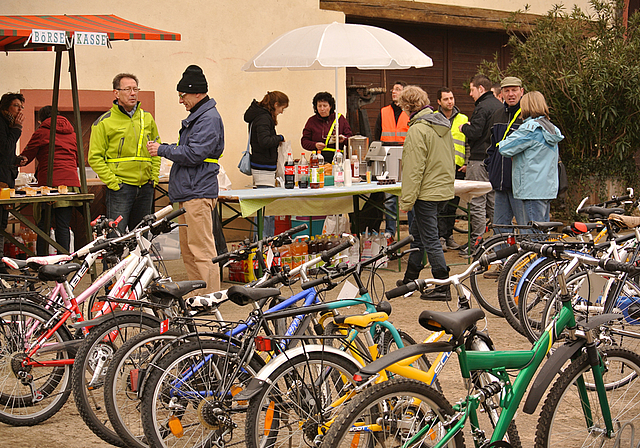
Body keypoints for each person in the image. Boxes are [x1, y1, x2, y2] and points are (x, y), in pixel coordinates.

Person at [147, 65, 224, 294]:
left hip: (198, 192)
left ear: (197, 93)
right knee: (189, 250)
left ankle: (209, 297)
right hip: (189, 191)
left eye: (183, 95)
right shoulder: (198, 117)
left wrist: (163, 150)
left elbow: (194, 154)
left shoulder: (208, 118)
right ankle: (196, 295)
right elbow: (190, 150)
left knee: (202, 250)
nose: (181, 101)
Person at [396, 86, 455, 301]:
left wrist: (407, 200)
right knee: (418, 234)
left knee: (429, 239)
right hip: (441, 190)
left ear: (407, 107)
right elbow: (450, 158)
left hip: (426, 192)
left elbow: (413, 169)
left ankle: (443, 285)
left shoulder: (417, 130)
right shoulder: (442, 125)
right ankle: (410, 279)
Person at [88, 73, 160, 233]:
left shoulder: (147, 118)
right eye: (127, 89)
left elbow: (157, 149)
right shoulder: (104, 122)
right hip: (121, 189)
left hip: (145, 187)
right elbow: (94, 158)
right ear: (116, 93)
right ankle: (115, 260)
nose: (133, 93)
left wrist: (153, 178)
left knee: (142, 237)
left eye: (135, 89)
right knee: (116, 237)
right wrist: (114, 183)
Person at [20, 106, 81, 255]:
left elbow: (26, 157)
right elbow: (78, 160)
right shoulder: (72, 134)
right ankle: (63, 261)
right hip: (70, 185)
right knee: (63, 225)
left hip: (49, 185)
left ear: (41, 120)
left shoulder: (41, 132)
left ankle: (41, 259)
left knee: (43, 224)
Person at [499, 91, 563, 222]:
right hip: (547, 188)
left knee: (532, 236)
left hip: (531, 189)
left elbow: (504, 147)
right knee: (542, 234)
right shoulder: (550, 128)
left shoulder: (530, 128)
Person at [458, 74, 502, 257]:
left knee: (477, 201)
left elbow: (475, 132)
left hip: (478, 159)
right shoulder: (500, 106)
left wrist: (464, 128)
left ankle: (477, 243)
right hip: (495, 160)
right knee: (493, 202)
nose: (470, 94)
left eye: (472, 89)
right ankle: (500, 241)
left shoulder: (482, 106)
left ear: (481, 89)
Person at [485, 77, 527, 235]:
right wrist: (491, 167)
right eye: (507, 90)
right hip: (500, 184)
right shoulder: (497, 115)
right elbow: (490, 146)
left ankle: (529, 260)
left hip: (520, 185)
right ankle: (503, 259)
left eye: (514, 90)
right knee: (500, 228)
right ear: (501, 93)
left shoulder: (527, 115)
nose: (511, 94)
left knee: (526, 228)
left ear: (521, 92)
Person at [244, 91, 288, 238]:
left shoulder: (259, 116)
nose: (282, 111)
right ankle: (263, 243)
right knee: (265, 210)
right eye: (282, 108)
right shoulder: (263, 118)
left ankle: (263, 242)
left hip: (261, 165)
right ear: (275, 105)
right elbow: (264, 141)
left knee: (263, 208)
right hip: (263, 167)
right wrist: (279, 137)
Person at [435, 87, 468, 252]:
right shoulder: (433, 118)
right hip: (439, 168)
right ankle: (440, 237)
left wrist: (467, 162)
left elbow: (469, 142)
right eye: (446, 99)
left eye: (452, 98)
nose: (450, 101)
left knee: (453, 205)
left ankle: (448, 236)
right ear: (439, 102)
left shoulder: (463, 118)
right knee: (441, 203)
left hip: (457, 167)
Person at [373, 81, 408, 239]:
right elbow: (377, 134)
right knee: (389, 197)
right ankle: (389, 232)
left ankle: (413, 231)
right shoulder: (384, 111)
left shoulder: (409, 111)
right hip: (387, 156)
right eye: (393, 89)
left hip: (406, 155)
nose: (394, 92)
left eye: (398, 89)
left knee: (409, 195)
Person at [0, 92, 24, 270]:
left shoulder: (8, 124)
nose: (20, 110)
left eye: (21, 107)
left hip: (6, 178)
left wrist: (16, 159)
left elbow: (6, 154)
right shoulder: (3, 124)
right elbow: (4, 148)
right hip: (1, 180)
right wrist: (17, 129)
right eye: (16, 106)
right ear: (6, 107)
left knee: (2, 222)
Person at [301, 91, 352, 164]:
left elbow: (350, 138)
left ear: (330, 106)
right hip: (317, 159)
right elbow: (304, 141)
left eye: (325, 106)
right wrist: (315, 145)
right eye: (319, 106)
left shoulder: (340, 119)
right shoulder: (311, 121)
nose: (322, 109)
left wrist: (343, 139)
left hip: (337, 159)